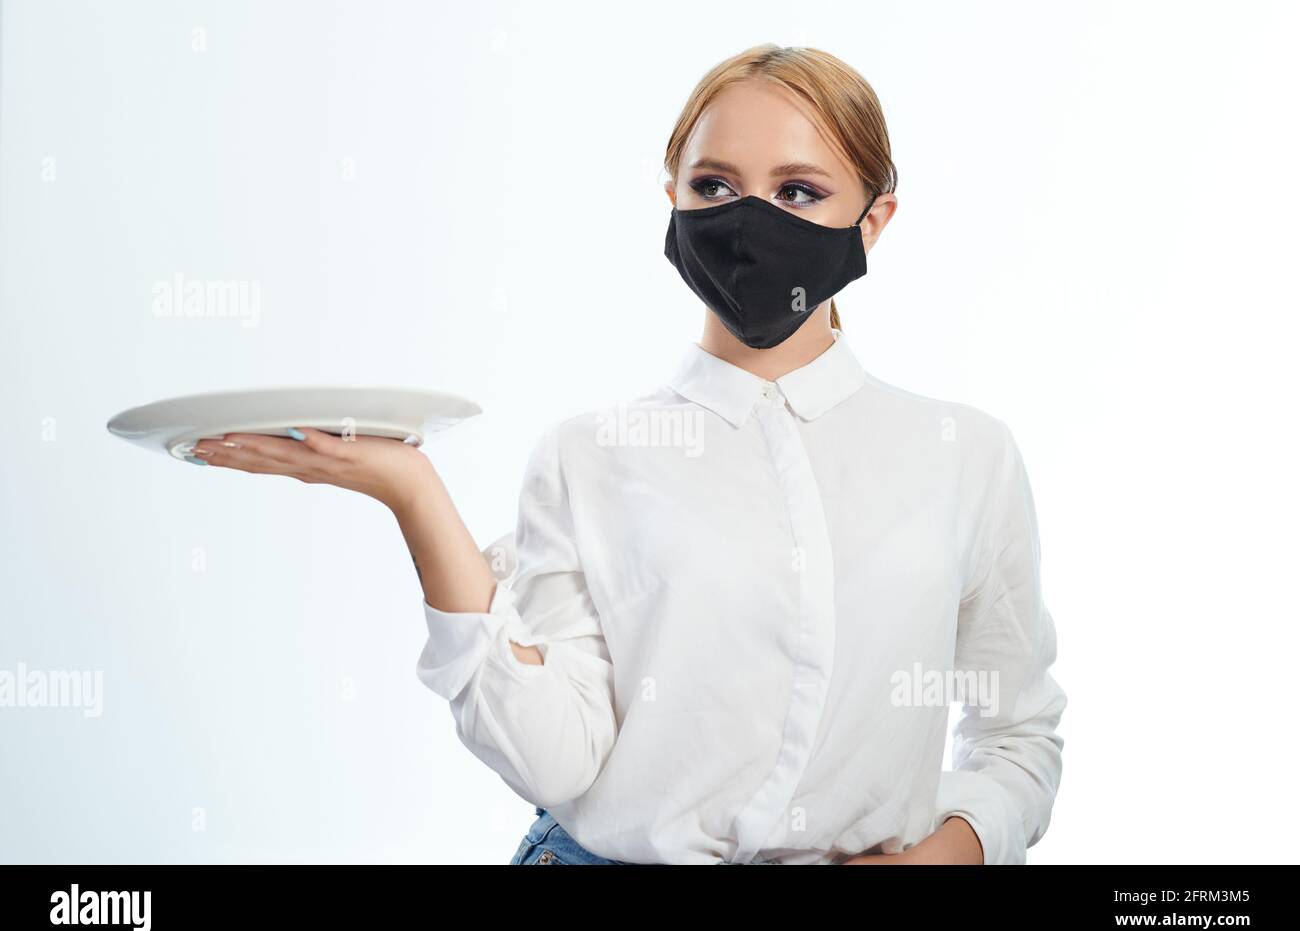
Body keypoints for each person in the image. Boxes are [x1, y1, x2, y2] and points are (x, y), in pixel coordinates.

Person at [190, 43, 1066, 865]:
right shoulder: (589, 457)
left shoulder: (964, 458)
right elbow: (558, 761)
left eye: (799, 191)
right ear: (674, 201)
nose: (749, 221)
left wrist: (953, 851)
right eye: (715, 185)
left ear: (873, 221)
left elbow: (1017, 737)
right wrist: (412, 493)